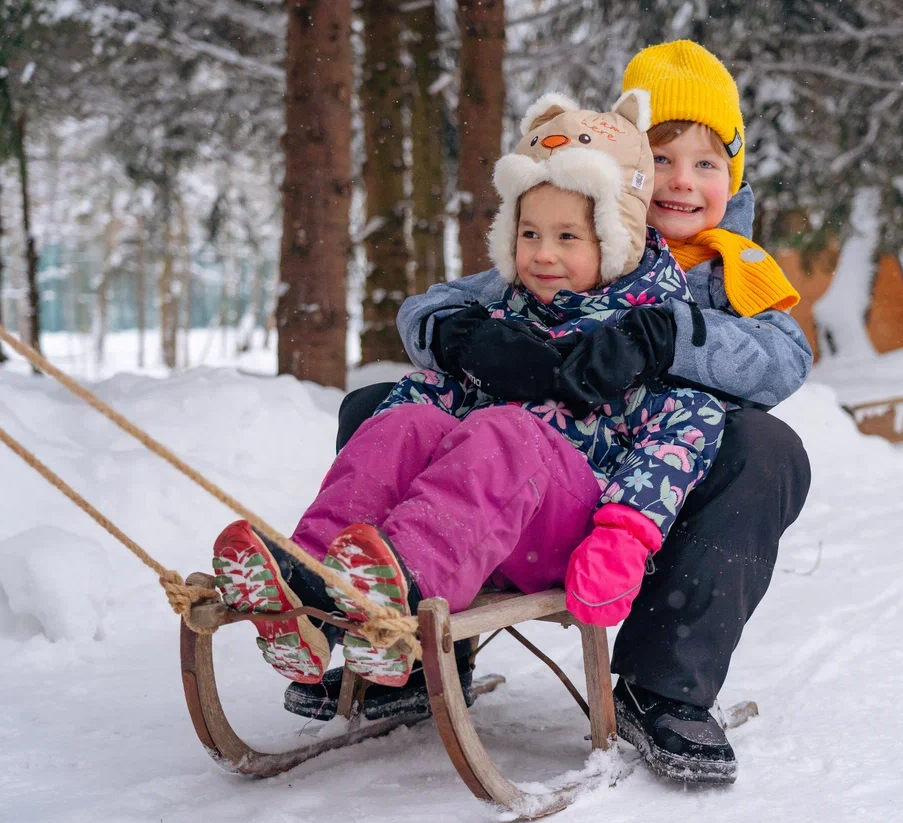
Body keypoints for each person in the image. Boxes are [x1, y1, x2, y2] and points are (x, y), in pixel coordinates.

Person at [294, 41, 815, 784]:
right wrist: (466, 335)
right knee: (384, 405)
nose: (681, 183)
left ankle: (663, 684)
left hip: (655, 499)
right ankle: (405, 635)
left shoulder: (734, 271)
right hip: (523, 478)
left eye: (706, 165)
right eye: (662, 159)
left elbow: (784, 360)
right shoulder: (568, 226)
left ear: (732, 175)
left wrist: (667, 334)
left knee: (768, 445)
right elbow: (434, 303)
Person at [211, 91, 727, 694]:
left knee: (502, 431)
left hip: (564, 528)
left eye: (567, 238)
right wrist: (463, 354)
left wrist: (623, 536)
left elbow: (684, 431)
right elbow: (432, 389)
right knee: (404, 419)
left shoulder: (643, 331)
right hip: (481, 523)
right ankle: (310, 586)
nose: (541, 254)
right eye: (528, 233)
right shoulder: (506, 314)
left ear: (616, 242)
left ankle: (398, 596)